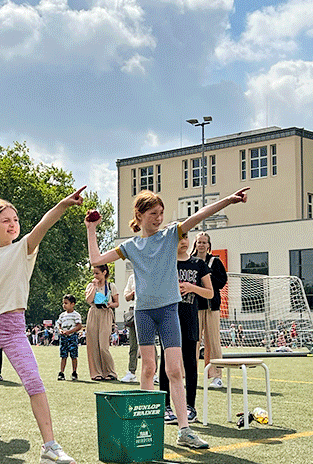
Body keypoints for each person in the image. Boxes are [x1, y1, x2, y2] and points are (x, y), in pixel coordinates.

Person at [87, 186, 249, 450]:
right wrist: (91, 228)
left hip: (168, 311)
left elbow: (198, 216)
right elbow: (96, 258)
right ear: (139, 215)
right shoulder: (130, 246)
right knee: (148, 368)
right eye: (153, 213)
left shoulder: (171, 235)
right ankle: (146, 425)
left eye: (161, 213)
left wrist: (229, 201)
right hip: (144, 313)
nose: (159, 218)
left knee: (174, 370)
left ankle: (185, 430)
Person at [0, 189, 86, 464]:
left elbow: (44, 224)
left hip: (14, 327)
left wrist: (63, 204)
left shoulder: (23, 248)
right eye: (5, 220)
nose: (13, 224)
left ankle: (50, 447)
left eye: (15, 219)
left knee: (34, 381)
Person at [159, 233, 212, 422]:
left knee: (190, 364)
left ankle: (190, 406)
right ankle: (165, 406)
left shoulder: (198, 264)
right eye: (178, 238)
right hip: (168, 318)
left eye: (185, 237)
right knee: (166, 364)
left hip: (190, 319)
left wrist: (192, 288)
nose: (182, 241)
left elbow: (210, 293)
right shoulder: (166, 262)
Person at [191, 231, 227, 388]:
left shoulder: (215, 262)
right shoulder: (190, 262)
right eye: (199, 242)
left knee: (213, 341)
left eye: (204, 242)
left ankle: (217, 376)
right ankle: (190, 374)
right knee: (193, 341)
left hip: (212, 307)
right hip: (195, 307)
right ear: (195, 244)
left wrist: (207, 277)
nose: (201, 245)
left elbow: (222, 281)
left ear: (209, 245)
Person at [83, 263, 118, 381]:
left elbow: (117, 303)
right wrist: (94, 286)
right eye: (94, 273)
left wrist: (110, 304)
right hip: (93, 313)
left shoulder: (111, 286)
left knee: (103, 346)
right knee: (93, 344)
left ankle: (110, 372)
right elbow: (89, 300)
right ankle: (96, 373)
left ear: (104, 273)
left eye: (97, 273)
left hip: (106, 314)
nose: (95, 275)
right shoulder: (91, 285)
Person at [56, 294, 82, 381]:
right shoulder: (62, 315)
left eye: (66, 303)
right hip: (64, 338)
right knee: (63, 355)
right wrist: (60, 331)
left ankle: (74, 372)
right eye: (63, 303)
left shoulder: (76, 315)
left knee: (73, 355)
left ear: (72, 304)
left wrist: (69, 331)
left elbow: (79, 326)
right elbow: (59, 324)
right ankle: (61, 372)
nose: (64, 305)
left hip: (72, 337)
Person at [119, 272, 139, 383]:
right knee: (133, 345)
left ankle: (154, 373)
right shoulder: (132, 277)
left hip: (149, 311)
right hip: (135, 311)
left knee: (150, 345)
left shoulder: (152, 271)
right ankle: (131, 372)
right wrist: (133, 293)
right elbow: (126, 297)